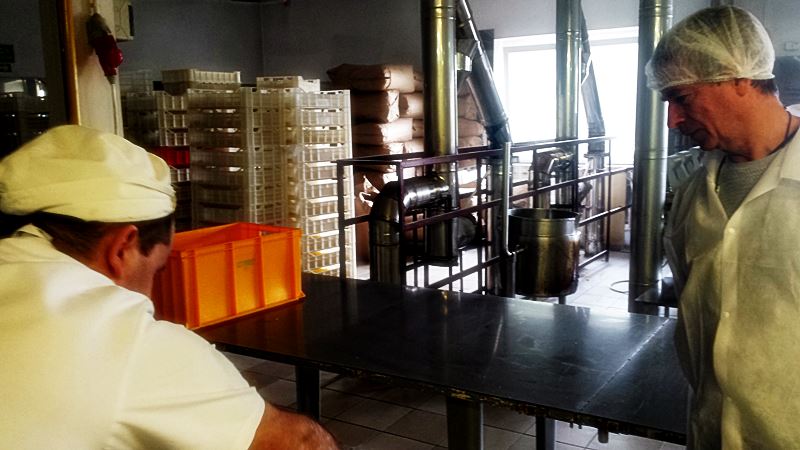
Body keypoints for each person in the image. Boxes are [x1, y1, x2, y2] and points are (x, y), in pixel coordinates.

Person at [0, 125, 338, 449]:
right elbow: (300, 443)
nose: (151, 295)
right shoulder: (127, 344)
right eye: (156, 270)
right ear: (122, 248)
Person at [646, 6, 800, 449]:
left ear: (738, 79)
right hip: (710, 430)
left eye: (683, 98)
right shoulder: (691, 196)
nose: (673, 120)